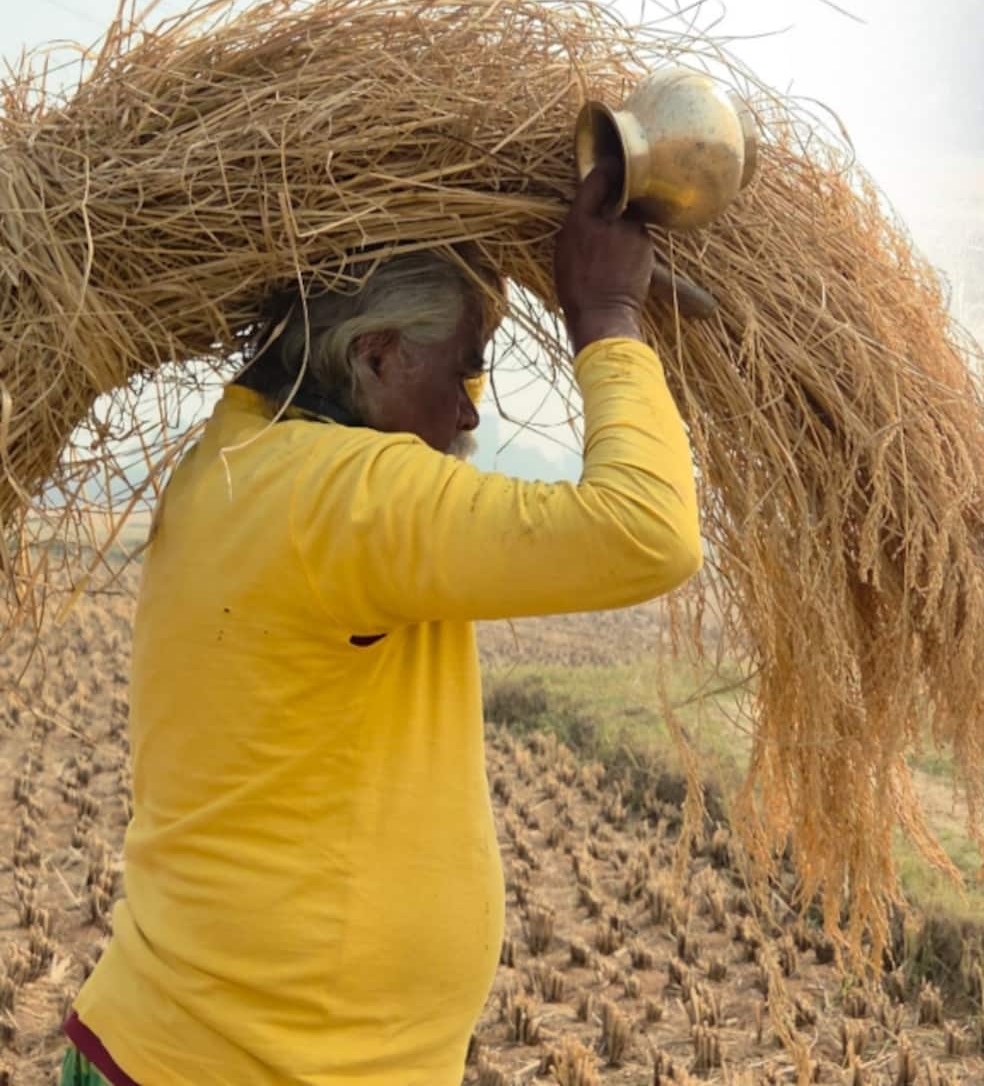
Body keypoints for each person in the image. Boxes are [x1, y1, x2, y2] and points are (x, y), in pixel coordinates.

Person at [60, 166, 705, 1085]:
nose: (470, 409)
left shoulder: (242, 455)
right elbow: (647, 532)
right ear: (376, 356)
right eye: (462, 369)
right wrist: (606, 314)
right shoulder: (337, 493)